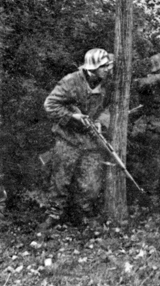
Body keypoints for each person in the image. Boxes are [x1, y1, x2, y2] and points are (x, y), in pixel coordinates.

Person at [38, 48, 114, 231]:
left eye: (108, 66)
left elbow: (110, 107)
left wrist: (101, 123)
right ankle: (53, 216)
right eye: (104, 67)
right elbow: (50, 105)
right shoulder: (71, 81)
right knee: (60, 180)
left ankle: (85, 215)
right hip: (68, 138)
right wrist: (72, 117)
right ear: (92, 68)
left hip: (92, 140)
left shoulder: (108, 83)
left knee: (91, 183)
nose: (108, 69)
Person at [130, 53, 160, 208]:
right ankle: (152, 201)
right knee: (153, 168)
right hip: (152, 131)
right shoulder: (148, 82)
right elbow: (139, 84)